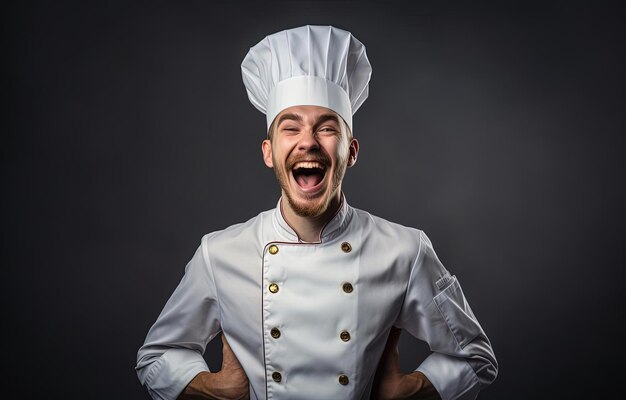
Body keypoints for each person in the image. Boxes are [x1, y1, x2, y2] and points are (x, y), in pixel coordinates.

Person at [136, 25, 498, 400]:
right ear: (268, 151)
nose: (307, 141)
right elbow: (156, 356)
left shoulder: (405, 251)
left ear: (351, 151)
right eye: (290, 127)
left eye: (326, 128)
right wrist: (215, 389)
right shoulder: (219, 254)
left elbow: (475, 358)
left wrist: (414, 390)